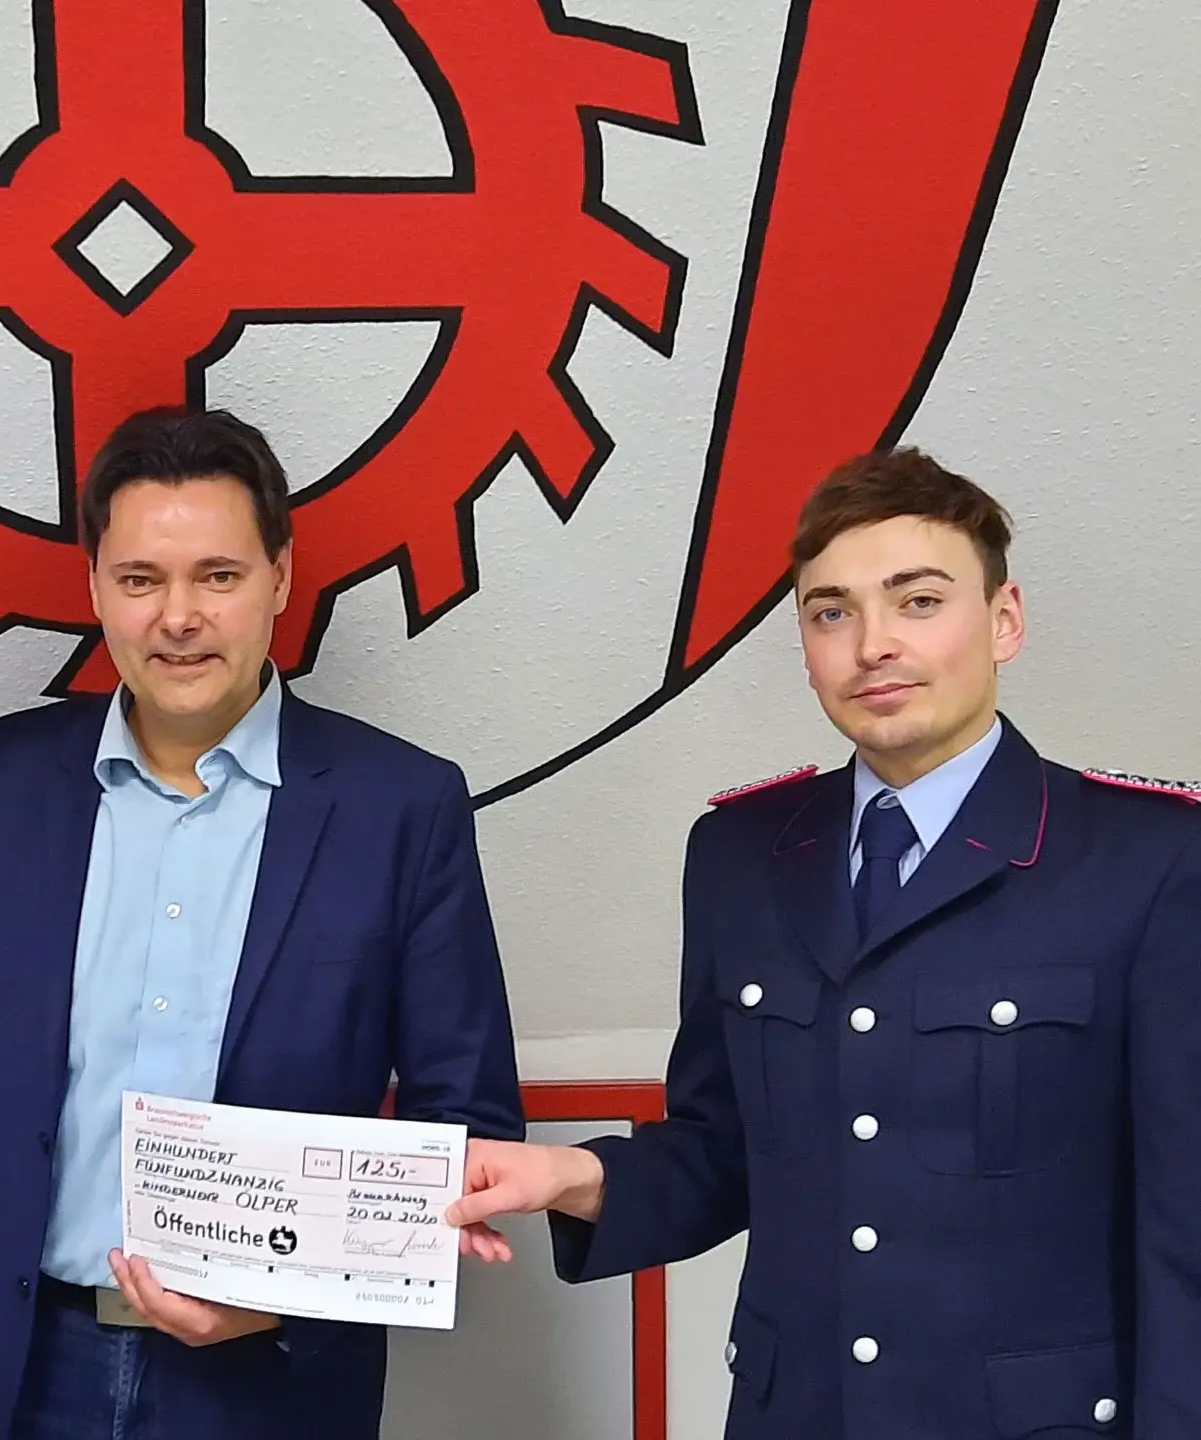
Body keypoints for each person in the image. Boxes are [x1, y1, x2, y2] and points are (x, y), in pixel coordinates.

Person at [0, 407, 524, 1439]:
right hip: (15, 1368)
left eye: (218, 576)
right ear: (95, 587)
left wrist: (289, 1302)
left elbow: (465, 1125)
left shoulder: (401, 806)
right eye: (140, 579)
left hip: (269, 1386)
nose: (178, 616)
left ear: (280, 578)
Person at [446, 447, 1201, 1437]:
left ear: (1004, 620)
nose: (873, 645)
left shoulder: (1150, 861)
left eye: (918, 601)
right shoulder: (741, 855)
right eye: (831, 612)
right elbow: (727, 1152)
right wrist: (574, 1179)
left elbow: (1186, 1228)